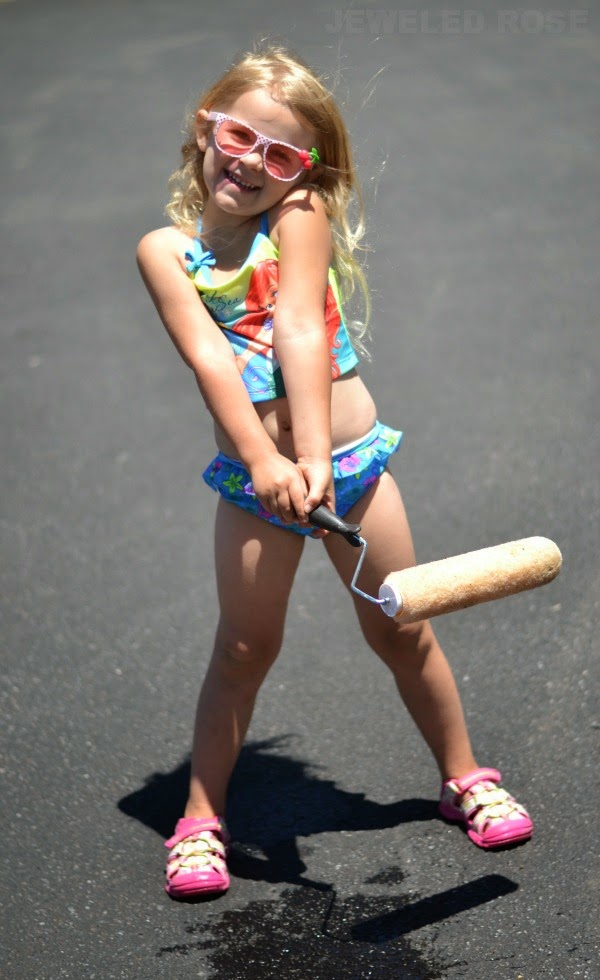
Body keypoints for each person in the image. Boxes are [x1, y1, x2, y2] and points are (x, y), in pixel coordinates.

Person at [137, 42, 533, 901]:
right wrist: (265, 461)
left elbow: (300, 331)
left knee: (401, 626)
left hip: (348, 466)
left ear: (306, 172)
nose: (251, 162)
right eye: (237, 135)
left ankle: (464, 776)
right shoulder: (165, 252)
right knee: (245, 647)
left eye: (279, 155)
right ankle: (201, 817)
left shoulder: (300, 214)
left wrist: (312, 458)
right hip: (257, 484)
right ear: (205, 129)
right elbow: (209, 359)